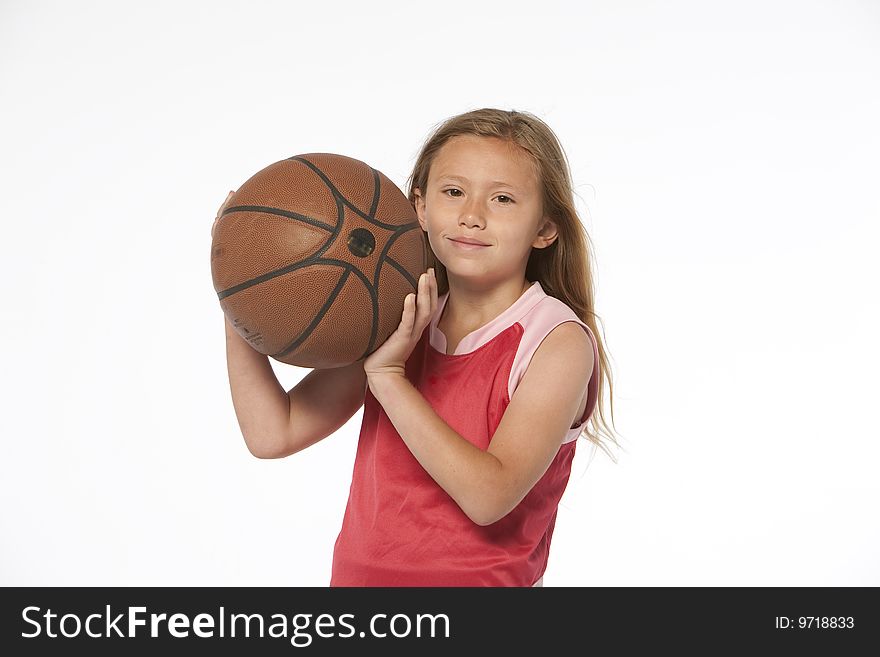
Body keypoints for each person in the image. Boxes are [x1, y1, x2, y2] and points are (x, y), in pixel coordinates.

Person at [215, 108, 619, 587]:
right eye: (453, 192)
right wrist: (240, 284)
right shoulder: (393, 316)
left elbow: (489, 497)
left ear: (545, 229)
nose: (472, 215)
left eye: (503, 199)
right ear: (420, 208)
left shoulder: (555, 341)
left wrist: (389, 378)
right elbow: (272, 433)